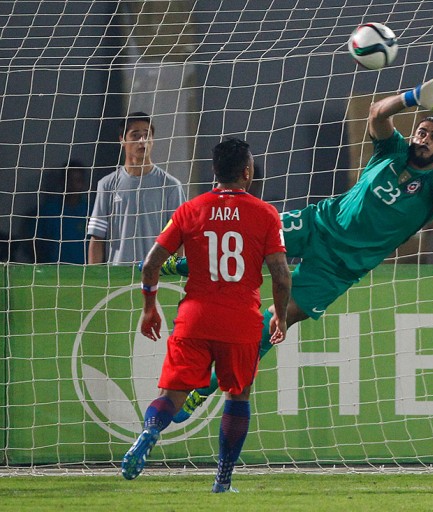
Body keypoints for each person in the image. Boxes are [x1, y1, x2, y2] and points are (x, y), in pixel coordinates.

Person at [158, 71, 433, 421]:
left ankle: (208, 384)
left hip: (339, 267)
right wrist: (416, 95)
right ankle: (185, 263)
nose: (424, 137)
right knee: (247, 235)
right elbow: (376, 114)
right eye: (422, 131)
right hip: (318, 223)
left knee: (279, 319)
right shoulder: (393, 150)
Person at [120, 138, 291, 493]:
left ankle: (150, 431)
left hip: (195, 318)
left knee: (172, 395)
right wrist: (281, 317)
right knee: (237, 396)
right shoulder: (265, 214)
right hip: (240, 320)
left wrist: (149, 308)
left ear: (215, 172)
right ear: (247, 172)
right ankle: (223, 480)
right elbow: (280, 273)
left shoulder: (190, 210)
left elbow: (151, 264)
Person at [87, 112, 186, 264]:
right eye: (135, 135)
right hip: (117, 278)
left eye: (147, 135)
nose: (142, 141)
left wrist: (174, 275)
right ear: (122, 140)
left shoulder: (171, 186)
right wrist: (94, 280)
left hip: (157, 276)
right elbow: (97, 237)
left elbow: (179, 237)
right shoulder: (107, 185)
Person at [34, 159, 92, 263]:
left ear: (83, 183)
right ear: (63, 181)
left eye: (78, 181)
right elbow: (36, 244)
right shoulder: (49, 211)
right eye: (70, 180)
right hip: (53, 273)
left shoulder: (90, 211)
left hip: (83, 273)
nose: (73, 185)